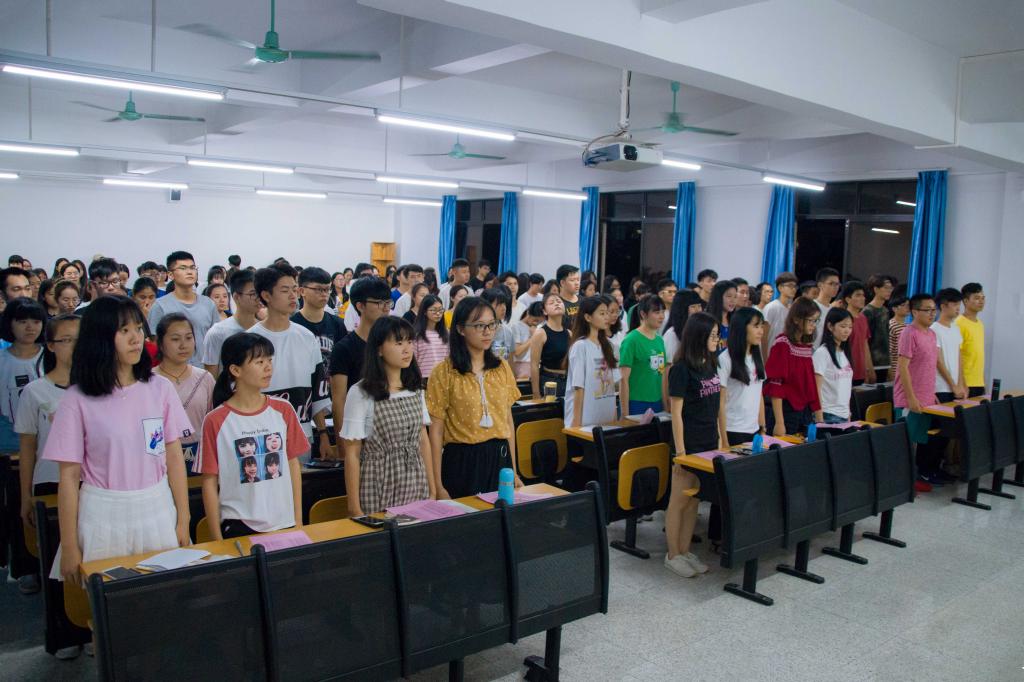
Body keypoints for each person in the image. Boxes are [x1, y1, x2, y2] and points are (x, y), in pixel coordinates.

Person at [43, 296, 192, 583]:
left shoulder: (160, 388)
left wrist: (183, 519)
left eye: (138, 328)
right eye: (124, 331)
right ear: (99, 338)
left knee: (162, 594)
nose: (136, 339)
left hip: (157, 507)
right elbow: (69, 477)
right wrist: (70, 545)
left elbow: (174, 458)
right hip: (103, 513)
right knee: (108, 601)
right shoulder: (77, 399)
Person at [198, 333, 306, 539]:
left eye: (269, 360)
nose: (268, 367)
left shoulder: (283, 409)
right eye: (259, 362)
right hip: (239, 523)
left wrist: (298, 520)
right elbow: (209, 481)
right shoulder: (215, 420)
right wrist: (216, 537)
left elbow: (293, 464)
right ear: (235, 370)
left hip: (284, 522)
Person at [426, 297, 522, 499]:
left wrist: (514, 471)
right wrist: (437, 485)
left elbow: (508, 421)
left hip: (499, 457)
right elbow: (436, 431)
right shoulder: (443, 372)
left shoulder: (501, 367)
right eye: (479, 325)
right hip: (462, 461)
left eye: (491, 324)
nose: (487, 331)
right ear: (460, 329)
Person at [14, 314, 79, 596]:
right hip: (51, 483)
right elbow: (28, 448)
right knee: (56, 563)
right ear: (51, 346)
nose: (75, 346)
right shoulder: (34, 391)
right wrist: (26, 497)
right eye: (66, 340)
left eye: (80, 340)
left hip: (89, 482)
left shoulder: (99, 388)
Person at [342, 317, 433, 515]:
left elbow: (423, 441)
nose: (407, 349)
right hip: (378, 483)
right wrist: (354, 508)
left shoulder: (415, 388)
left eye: (409, 341)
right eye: (398, 343)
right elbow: (352, 453)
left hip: (416, 482)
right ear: (379, 349)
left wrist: (432, 490)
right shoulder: (360, 392)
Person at [250, 265, 332, 461]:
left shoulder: (306, 337)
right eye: (285, 290)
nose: (293, 296)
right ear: (266, 295)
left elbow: (316, 391)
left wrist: (323, 434)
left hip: (301, 433)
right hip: (260, 434)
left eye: (294, 290)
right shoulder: (251, 340)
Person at [664, 312, 721, 578]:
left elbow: (716, 405)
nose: (716, 340)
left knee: (694, 501)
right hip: (688, 445)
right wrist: (680, 453)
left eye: (717, 335)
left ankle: (685, 551)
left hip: (709, 443)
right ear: (699, 336)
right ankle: (672, 555)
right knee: (678, 501)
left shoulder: (710, 364)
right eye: (712, 335)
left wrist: (719, 439)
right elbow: (676, 413)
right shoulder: (681, 369)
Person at [0, 298, 46, 591]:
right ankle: (26, 568)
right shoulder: (2, 361)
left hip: (49, 443)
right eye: (22, 321)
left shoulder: (49, 356)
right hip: (11, 444)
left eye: (36, 321)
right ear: (10, 324)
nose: (30, 327)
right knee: (19, 507)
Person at [894, 294, 949, 489]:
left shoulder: (931, 334)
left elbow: (929, 366)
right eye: (927, 310)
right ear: (915, 312)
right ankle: (901, 482)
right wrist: (910, 397)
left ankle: (914, 478)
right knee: (906, 441)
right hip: (909, 398)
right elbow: (903, 367)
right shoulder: (909, 333)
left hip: (926, 397)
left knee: (919, 439)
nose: (932, 314)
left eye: (934, 310)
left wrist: (931, 393)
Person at [330, 277, 392, 441]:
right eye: (379, 303)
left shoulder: (393, 344)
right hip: (359, 430)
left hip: (391, 426)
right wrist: (343, 443)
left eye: (388, 302)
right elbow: (339, 400)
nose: (386, 308)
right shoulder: (344, 348)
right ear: (360, 306)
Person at [153, 313, 214, 475]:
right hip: (162, 458)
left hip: (201, 456)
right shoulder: (149, 382)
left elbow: (212, 422)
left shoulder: (205, 378)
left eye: (188, 338)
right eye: (175, 339)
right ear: (160, 343)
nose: (183, 345)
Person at [148, 251, 221, 367]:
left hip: (205, 370)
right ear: (170, 275)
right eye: (183, 268)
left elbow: (216, 340)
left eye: (192, 268)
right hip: (173, 372)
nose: (189, 272)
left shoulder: (208, 304)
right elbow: (155, 344)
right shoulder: (160, 306)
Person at [764, 297, 823, 436]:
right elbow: (776, 385)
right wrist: (780, 423)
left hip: (805, 411)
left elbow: (810, 385)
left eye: (816, 321)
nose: (813, 325)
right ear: (796, 319)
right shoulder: (782, 344)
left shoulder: (806, 346)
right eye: (810, 320)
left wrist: (818, 415)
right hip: (787, 411)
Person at [564, 295, 620, 428]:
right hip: (584, 419)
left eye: (607, 313)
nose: (607, 317)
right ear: (588, 317)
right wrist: (576, 423)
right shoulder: (580, 346)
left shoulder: (609, 346)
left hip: (605, 416)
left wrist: (614, 417)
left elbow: (612, 385)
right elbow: (578, 387)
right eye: (602, 313)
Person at [717, 306, 766, 445]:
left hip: (754, 430)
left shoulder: (757, 356)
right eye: (756, 326)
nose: (761, 331)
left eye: (762, 326)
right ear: (741, 328)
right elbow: (720, 403)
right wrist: (723, 440)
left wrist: (762, 427)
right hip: (732, 430)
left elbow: (759, 394)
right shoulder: (725, 359)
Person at [619, 295, 668, 415]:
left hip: (657, 403)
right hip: (636, 403)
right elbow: (623, 380)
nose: (661, 316)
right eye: (657, 312)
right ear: (643, 314)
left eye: (663, 312)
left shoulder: (659, 340)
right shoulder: (631, 340)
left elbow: (662, 376)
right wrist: (625, 414)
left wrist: (665, 405)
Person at [291, 266, 347, 364]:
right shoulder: (293, 324)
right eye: (319, 289)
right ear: (302, 291)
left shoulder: (338, 324)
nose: (324, 294)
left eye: (327, 289)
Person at [813, 308, 855, 423]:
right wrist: (820, 420)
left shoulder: (844, 353)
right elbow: (816, 389)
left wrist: (848, 414)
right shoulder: (822, 353)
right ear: (830, 326)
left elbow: (846, 388)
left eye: (850, 327)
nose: (847, 331)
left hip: (844, 415)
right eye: (843, 326)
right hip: (828, 414)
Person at [528, 292, 569, 398]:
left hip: (568, 381)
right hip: (549, 381)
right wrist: (536, 393)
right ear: (545, 311)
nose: (557, 304)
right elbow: (534, 365)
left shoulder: (569, 333)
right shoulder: (540, 333)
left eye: (559, 301)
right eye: (551, 302)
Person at [932, 288, 968, 402]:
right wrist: (953, 385)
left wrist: (961, 383)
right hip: (941, 388)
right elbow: (938, 361)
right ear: (943, 306)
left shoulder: (956, 328)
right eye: (955, 304)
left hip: (956, 388)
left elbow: (959, 357)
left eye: (959, 304)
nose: (958, 308)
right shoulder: (934, 329)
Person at [840, 281, 876, 385]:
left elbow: (865, 345)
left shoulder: (863, 318)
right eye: (858, 295)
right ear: (848, 299)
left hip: (861, 371)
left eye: (863, 295)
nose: (862, 298)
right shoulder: (842, 318)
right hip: (845, 371)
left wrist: (870, 368)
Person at [956, 282, 986, 397]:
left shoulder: (980, 324)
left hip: (978, 383)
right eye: (977, 298)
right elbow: (956, 356)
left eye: (983, 298)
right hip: (965, 384)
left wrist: (983, 382)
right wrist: (962, 383)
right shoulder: (959, 323)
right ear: (965, 301)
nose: (981, 301)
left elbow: (978, 356)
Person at [662, 289, 704, 369]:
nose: (698, 310)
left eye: (699, 306)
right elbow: (668, 368)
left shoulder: (697, 330)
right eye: (693, 307)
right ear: (681, 309)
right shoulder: (672, 334)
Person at [761, 271, 797, 360]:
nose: (793, 289)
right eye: (790, 286)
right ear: (780, 288)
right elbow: (763, 337)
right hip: (771, 357)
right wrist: (765, 360)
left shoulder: (792, 310)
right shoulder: (771, 307)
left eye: (795, 286)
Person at [412, 295, 448, 382]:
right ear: (424, 311)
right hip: (424, 378)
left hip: (444, 378)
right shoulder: (417, 335)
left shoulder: (446, 333)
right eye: (434, 310)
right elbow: (413, 360)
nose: (438, 313)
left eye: (440, 310)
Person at [863, 274, 894, 375]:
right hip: (872, 363)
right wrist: (869, 367)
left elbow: (886, 338)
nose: (889, 291)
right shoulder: (867, 311)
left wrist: (890, 364)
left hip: (885, 362)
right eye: (886, 288)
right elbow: (864, 342)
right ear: (876, 289)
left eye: (891, 288)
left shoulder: (885, 310)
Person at [480, 288, 515, 362]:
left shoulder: (508, 331)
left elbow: (510, 360)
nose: (504, 308)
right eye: (499, 304)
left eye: (504, 304)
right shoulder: (477, 330)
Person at [510, 302, 543, 378]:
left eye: (540, 322)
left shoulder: (539, 328)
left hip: (537, 366)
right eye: (535, 320)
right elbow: (517, 352)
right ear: (528, 313)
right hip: (522, 367)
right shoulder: (516, 327)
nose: (536, 323)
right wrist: (532, 337)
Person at [813, 267, 841, 346]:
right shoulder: (811, 307)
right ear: (820, 285)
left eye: (837, 284)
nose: (835, 287)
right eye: (831, 284)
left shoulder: (833, 310)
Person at [706, 280, 737, 348]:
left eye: (735, 297)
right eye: (729, 296)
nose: (733, 300)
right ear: (718, 297)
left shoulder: (735, 320)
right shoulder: (706, 320)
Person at [887, 295, 910, 381]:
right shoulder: (891, 325)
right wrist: (890, 371)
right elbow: (889, 351)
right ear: (894, 309)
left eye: (909, 305)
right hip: (895, 369)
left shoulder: (908, 326)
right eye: (904, 305)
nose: (908, 308)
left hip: (907, 369)